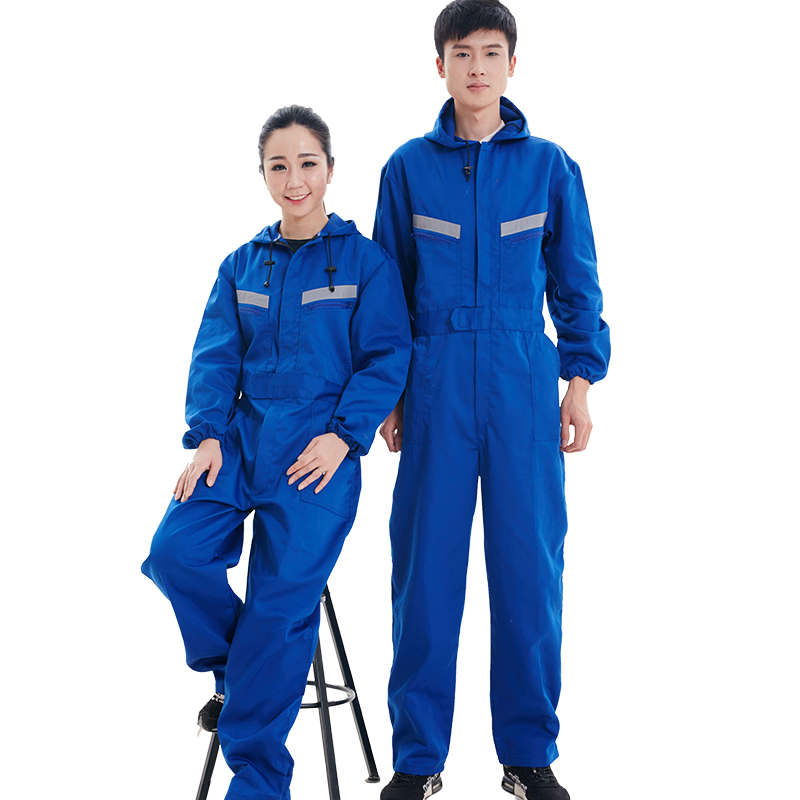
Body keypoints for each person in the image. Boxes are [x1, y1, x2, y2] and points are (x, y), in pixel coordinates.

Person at [373, 2, 610, 799]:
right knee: (425, 573)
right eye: (462, 53)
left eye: (491, 52)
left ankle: (528, 754)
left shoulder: (550, 167)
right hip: (434, 384)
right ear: (438, 65)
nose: (477, 67)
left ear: (513, 64)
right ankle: (418, 761)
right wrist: (390, 393)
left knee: (528, 571)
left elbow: (577, 285)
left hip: (521, 384)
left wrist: (579, 384)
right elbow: (386, 294)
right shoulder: (407, 169)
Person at [142, 105, 411, 800]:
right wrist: (207, 434)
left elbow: (386, 358)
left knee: (277, 608)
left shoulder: (365, 262)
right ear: (262, 174)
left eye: (307, 163)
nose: (295, 180)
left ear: (331, 170)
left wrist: (344, 435)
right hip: (238, 441)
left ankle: (258, 786)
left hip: (317, 454)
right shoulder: (241, 265)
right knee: (173, 554)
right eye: (279, 165)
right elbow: (215, 356)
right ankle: (239, 672)